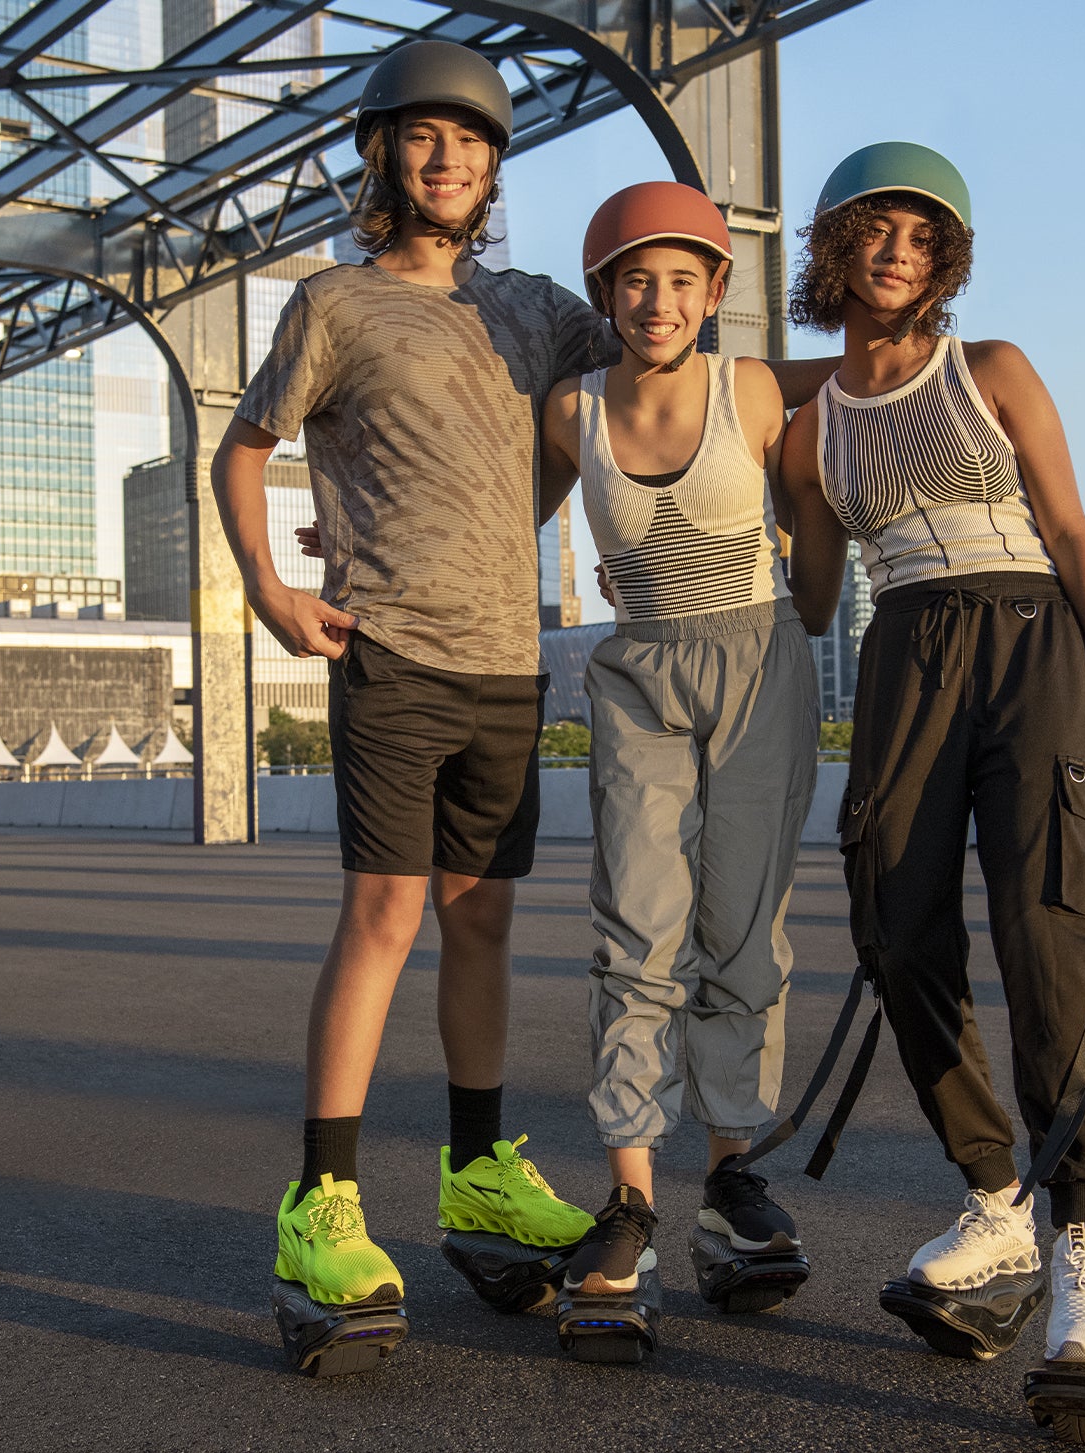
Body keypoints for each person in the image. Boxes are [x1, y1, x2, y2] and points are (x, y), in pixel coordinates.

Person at [212, 40, 607, 1333]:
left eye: (474, 142)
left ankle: (481, 1174)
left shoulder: (534, 309)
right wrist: (272, 591)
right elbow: (244, 448)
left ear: (495, 168)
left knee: (480, 917)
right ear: (383, 154)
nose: (449, 159)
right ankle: (321, 1201)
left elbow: (639, 365)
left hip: (510, 662)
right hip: (389, 653)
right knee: (385, 912)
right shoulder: (334, 305)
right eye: (424, 138)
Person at [782, 144, 1085, 1374]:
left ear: (947, 263)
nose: (899, 253)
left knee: (1046, 932)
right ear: (836, 248)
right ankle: (995, 1199)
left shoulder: (989, 370)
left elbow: (1071, 531)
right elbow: (812, 593)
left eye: (922, 238)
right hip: (903, 652)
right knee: (894, 924)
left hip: (1031, 636)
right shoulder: (807, 427)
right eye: (877, 232)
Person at [538, 183, 820, 1310]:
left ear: (716, 294)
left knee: (743, 930)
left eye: (682, 281)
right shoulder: (571, 411)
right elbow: (493, 517)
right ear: (605, 293)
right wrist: (346, 534)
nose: (658, 301)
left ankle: (733, 1177)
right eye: (636, 280)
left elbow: (841, 442)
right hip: (639, 671)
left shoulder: (750, 387)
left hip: (760, 664)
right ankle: (631, 1198)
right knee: (636, 927)